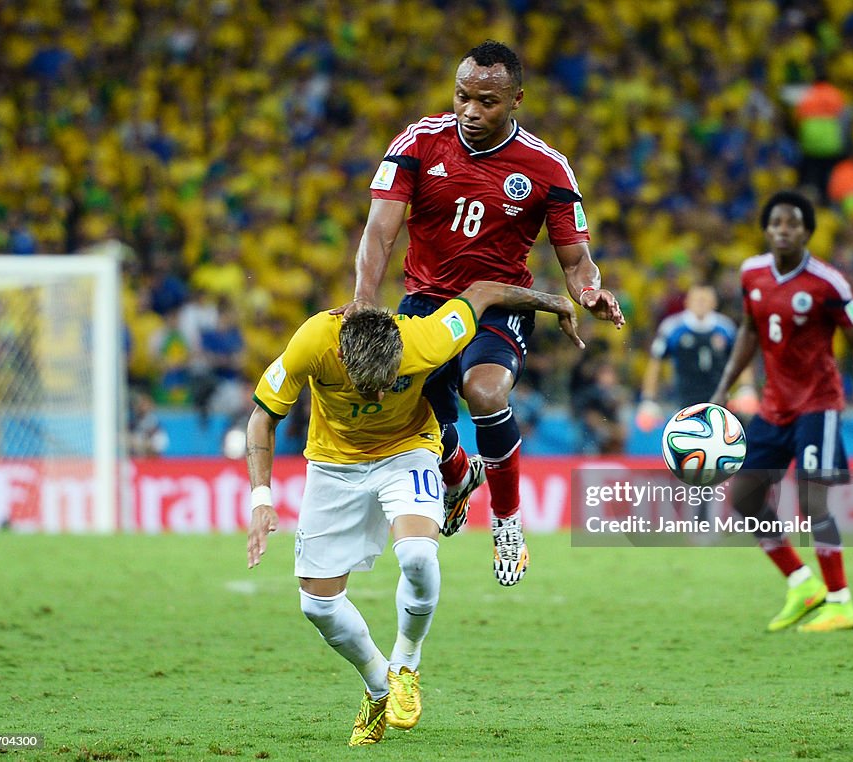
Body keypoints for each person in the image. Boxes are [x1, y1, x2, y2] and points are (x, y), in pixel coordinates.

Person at [246, 280, 583, 746]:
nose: (380, 398)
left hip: (408, 452)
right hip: (333, 465)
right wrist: (260, 498)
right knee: (317, 606)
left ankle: (406, 661)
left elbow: (483, 292)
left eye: (391, 384)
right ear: (342, 358)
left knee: (419, 558)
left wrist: (555, 303)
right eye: (371, 388)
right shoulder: (312, 341)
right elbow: (263, 416)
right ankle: (378, 684)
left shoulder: (425, 338)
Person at [340, 40, 624, 586]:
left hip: (499, 300)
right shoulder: (419, 142)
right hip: (424, 301)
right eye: (462, 96)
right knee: (413, 406)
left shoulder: (548, 168)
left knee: (486, 392)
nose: (471, 110)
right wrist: (364, 299)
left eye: (487, 101)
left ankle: (507, 520)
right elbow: (380, 229)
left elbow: (576, 258)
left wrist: (589, 291)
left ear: (516, 99)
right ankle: (455, 476)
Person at [710, 190, 853, 633]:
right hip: (774, 407)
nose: (782, 231)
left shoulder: (828, 283)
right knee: (745, 496)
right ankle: (800, 581)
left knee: (811, 503)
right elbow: (749, 331)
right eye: (775, 224)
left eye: (791, 224)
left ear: (807, 231)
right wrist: (721, 390)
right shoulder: (751, 273)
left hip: (819, 405)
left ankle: (841, 601)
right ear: (766, 230)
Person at [635, 283, 756, 432]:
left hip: (719, 398)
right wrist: (648, 399)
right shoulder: (672, 328)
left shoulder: (726, 328)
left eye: (705, 299)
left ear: (714, 303)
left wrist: (746, 388)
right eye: (697, 299)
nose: (701, 303)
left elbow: (741, 359)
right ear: (687, 302)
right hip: (684, 401)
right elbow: (655, 363)